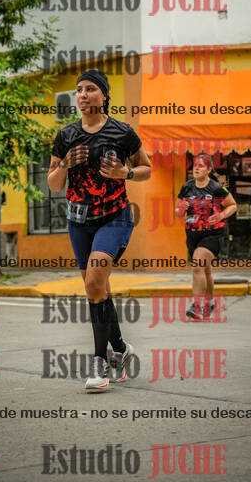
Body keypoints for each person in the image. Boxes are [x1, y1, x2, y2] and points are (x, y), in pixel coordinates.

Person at [48, 69, 151, 391]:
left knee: (94, 281)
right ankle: (120, 347)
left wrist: (125, 173)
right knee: (98, 289)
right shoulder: (66, 135)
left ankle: (99, 362)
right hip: (78, 222)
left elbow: (146, 169)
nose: (83, 94)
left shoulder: (122, 132)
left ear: (104, 95)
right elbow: (54, 184)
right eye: (79, 89)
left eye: (90, 89)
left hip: (114, 217)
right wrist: (65, 164)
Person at [175, 153, 237, 320]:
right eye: (194, 165)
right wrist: (181, 209)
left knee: (197, 265)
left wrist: (221, 215)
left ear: (209, 169)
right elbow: (178, 213)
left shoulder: (216, 188)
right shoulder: (186, 187)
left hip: (213, 234)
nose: (196, 168)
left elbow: (233, 205)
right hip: (192, 235)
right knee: (205, 270)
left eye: (200, 166)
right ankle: (209, 305)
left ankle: (197, 307)